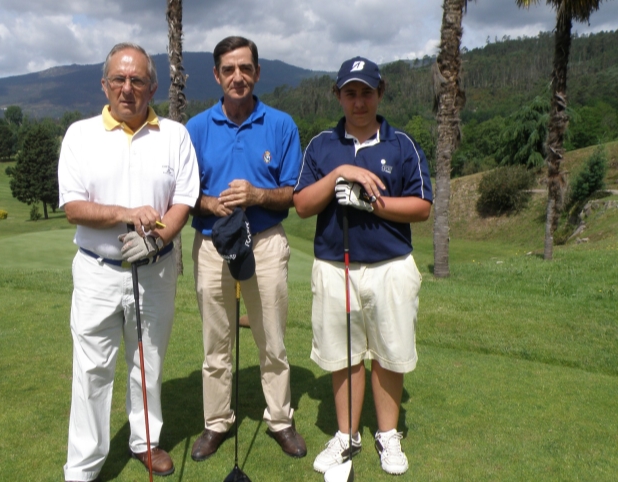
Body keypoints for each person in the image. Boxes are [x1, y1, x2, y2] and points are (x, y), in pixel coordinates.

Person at [58, 42, 200, 482]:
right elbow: (73, 207)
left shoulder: (174, 134)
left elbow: (184, 199)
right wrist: (127, 213)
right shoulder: (80, 135)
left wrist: (159, 240)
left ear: (152, 86)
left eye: (137, 80)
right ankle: (83, 466)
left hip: (154, 271)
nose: (127, 88)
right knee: (92, 370)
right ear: (104, 84)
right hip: (98, 270)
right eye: (118, 79)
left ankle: (145, 441)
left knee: (148, 361)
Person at [293, 56, 433, 476]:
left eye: (366, 92)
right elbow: (301, 205)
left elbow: (422, 207)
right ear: (338, 95)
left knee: (389, 353)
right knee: (344, 355)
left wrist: (375, 203)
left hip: (391, 265)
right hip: (336, 266)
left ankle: (387, 435)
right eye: (350, 93)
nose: (358, 102)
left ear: (380, 93)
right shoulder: (321, 146)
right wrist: (340, 172)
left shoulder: (401, 144)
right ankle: (346, 434)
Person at [185, 36, 307, 461]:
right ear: (217, 75)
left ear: (257, 73)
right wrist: (211, 203)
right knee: (215, 343)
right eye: (229, 69)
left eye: (246, 68)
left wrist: (256, 195)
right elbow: (185, 194)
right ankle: (217, 422)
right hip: (212, 242)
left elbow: (292, 192)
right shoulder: (196, 128)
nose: (238, 77)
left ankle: (280, 419)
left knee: (271, 339)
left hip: (266, 242)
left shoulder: (281, 124)